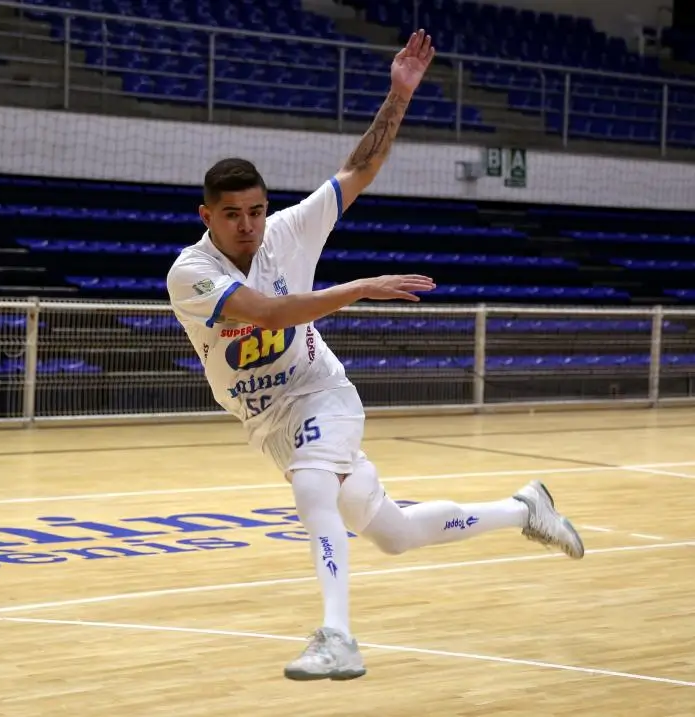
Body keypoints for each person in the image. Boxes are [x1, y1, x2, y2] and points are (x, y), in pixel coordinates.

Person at [165, 29, 585, 682]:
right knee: (392, 531)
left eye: (254, 210)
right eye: (231, 214)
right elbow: (266, 313)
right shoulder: (189, 272)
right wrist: (356, 288)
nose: (246, 224)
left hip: (321, 394)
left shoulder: (288, 231)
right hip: (267, 422)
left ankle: (337, 636)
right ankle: (524, 507)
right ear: (207, 216)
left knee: (313, 486)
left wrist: (398, 95)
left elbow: (357, 169)